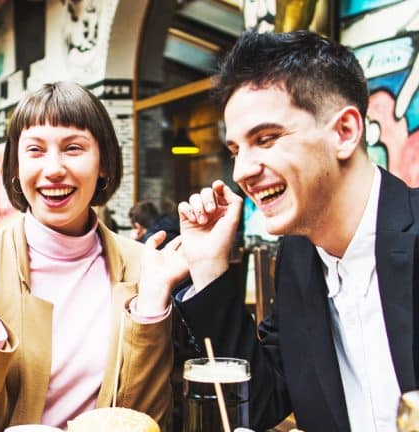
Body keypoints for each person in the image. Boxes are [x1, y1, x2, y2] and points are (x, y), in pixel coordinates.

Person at [175, 30, 419, 431]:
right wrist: (209, 269)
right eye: (236, 150)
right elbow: (264, 400)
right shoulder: (297, 259)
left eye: (266, 139)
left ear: (344, 132)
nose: (241, 173)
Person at [0, 81, 188, 430]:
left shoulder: (144, 267)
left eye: (73, 148)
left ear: (103, 163)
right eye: (35, 150)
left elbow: (145, 420)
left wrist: (151, 306)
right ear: (14, 166)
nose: (54, 169)